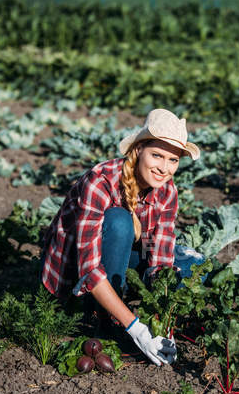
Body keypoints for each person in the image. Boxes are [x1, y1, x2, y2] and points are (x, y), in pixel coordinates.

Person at [40, 108, 203, 367]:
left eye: (173, 160)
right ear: (138, 151)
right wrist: (137, 329)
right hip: (74, 271)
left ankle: (119, 304)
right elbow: (90, 269)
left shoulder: (167, 191)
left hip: (118, 257)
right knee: (119, 222)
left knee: (195, 266)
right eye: (157, 155)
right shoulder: (101, 181)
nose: (164, 168)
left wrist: (162, 321)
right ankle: (101, 317)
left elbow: (160, 261)